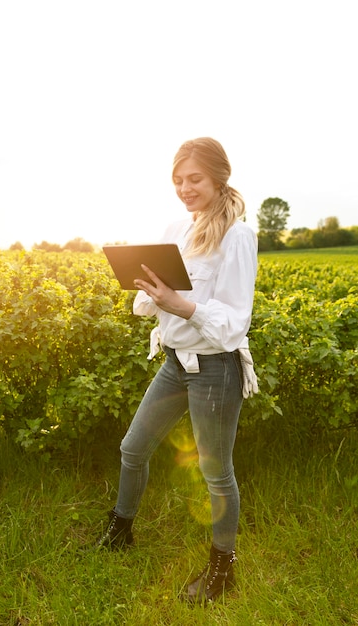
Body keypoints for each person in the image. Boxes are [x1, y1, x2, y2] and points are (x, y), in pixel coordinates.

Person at [95, 137, 258, 604]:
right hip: (174, 362)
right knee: (133, 447)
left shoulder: (237, 236)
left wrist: (180, 305)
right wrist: (150, 291)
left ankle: (222, 569)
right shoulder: (175, 227)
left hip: (216, 369)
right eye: (178, 180)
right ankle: (120, 529)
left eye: (195, 180)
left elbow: (232, 322)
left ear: (218, 177)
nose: (185, 188)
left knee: (215, 471)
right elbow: (152, 303)